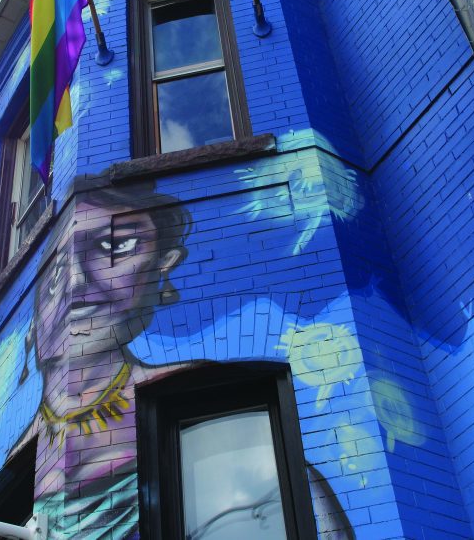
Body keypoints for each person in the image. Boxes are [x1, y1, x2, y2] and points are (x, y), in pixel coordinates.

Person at [24, 183, 353, 539]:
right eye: (55, 274)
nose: (75, 280)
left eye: (115, 246)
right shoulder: (25, 454)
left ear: (164, 267)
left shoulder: (228, 413)